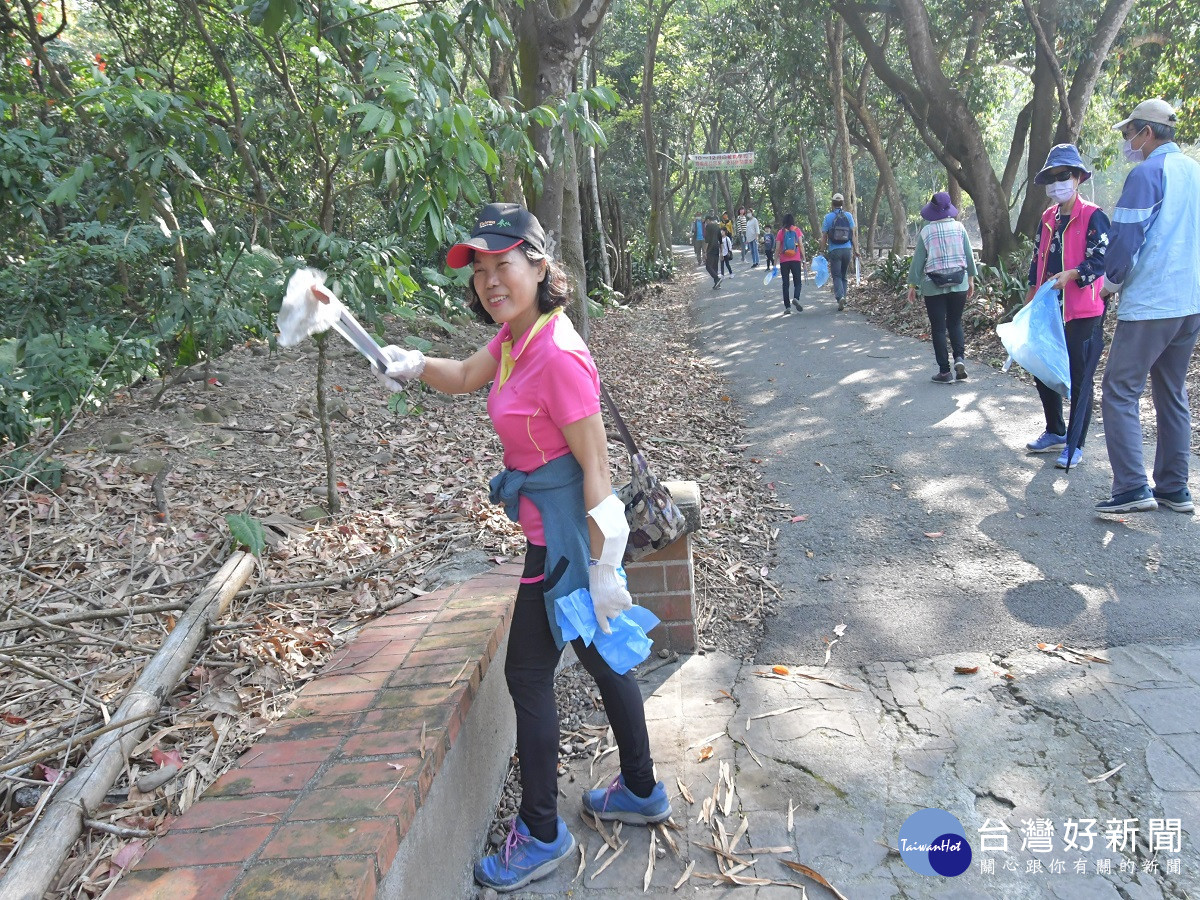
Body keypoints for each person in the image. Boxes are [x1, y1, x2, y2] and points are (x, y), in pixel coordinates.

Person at [374, 203, 672, 891]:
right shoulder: (516, 339)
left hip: (569, 543)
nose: (489, 282)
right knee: (601, 660)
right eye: (479, 271)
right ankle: (640, 789)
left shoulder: (557, 353)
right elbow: (464, 375)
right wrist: (415, 364)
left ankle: (542, 832)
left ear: (539, 263)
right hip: (560, 537)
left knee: (528, 676)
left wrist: (601, 567)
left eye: (502, 264)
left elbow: (596, 468)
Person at [1095, 99, 1200, 515]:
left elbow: (1125, 240)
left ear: (1147, 132)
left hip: (1153, 301)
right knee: (1171, 391)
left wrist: (1109, 283)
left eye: (1129, 134)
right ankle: (1174, 488)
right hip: (1190, 302)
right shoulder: (1195, 171)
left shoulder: (1147, 173)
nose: (1128, 142)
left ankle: (1132, 487)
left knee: (1119, 389)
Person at [1023, 144, 1110, 469]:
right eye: (1052, 178)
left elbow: (1103, 259)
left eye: (1063, 176)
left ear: (1077, 178)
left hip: (1082, 310)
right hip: (1048, 307)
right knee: (1042, 369)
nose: (1058, 183)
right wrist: (1031, 297)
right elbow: (1037, 259)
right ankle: (1056, 430)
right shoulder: (1048, 217)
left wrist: (1074, 274)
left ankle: (1075, 444)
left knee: (1079, 377)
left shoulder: (1093, 215)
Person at [906, 191, 978, 383]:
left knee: (938, 328)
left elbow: (918, 261)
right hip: (959, 283)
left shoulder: (926, 231)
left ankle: (945, 372)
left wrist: (912, 285)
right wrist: (970, 279)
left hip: (933, 285)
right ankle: (960, 359)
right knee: (955, 323)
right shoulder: (960, 228)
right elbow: (969, 256)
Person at [819, 192, 861, 311]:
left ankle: (840, 297)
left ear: (832, 203)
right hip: (847, 249)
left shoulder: (828, 217)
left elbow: (824, 236)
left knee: (836, 275)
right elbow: (853, 235)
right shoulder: (848, 216)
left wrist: (821, 251)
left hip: (834, 250)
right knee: (844, 276)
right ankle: (844, 299)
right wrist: (856, 250)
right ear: (842, 203)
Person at [776, 214, 805, 315]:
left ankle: (787, 307)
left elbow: (777, 248)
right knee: (798, 282)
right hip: (795, 259)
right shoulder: (797, 230)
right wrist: (804, 259)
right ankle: (796, 298)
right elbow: (800, 245)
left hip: (784, 261)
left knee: (785, 284)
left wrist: (775, 262)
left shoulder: (781, 232)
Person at [704, 215, 723, 288]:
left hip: (710, 249)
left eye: (706, 221)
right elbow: (720, 240)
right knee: (715, 267)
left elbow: (707, 240)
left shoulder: (708, 226)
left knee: (708, 266)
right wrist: (721, 252)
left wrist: (705, 252)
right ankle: (717, 285)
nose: (705, 223)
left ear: (708, 220)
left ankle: (717, 278)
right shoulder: (717, 227)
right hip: (716, 248)